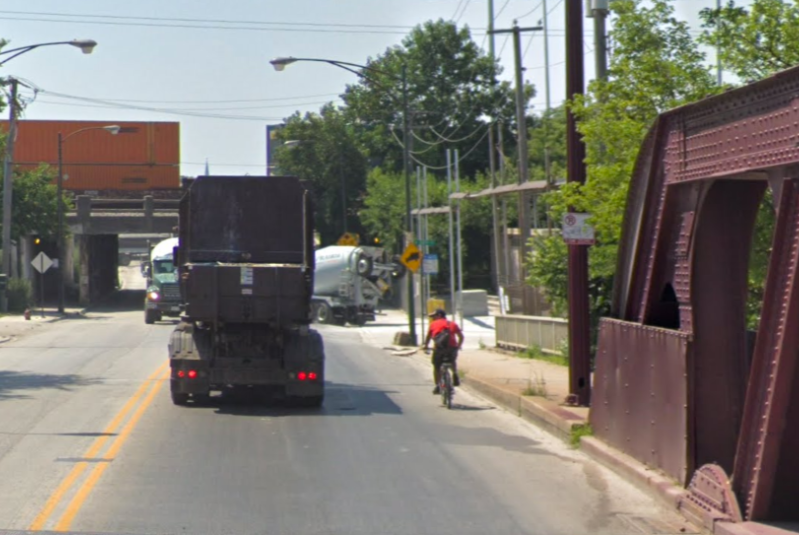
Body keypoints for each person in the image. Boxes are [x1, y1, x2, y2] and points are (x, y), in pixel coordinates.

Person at [422, 308, 464, 394]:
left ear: (439, 315)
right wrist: (458, 346)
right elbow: (461, 337)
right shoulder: (452, 324)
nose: (432, 318)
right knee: (452, 360)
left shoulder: (433, 324)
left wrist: (425, 346)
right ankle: (455, 373)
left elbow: (428, 337)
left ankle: (437, 385)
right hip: (452, 348)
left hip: (439, 349)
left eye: (434, 316)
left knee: (436, 366)